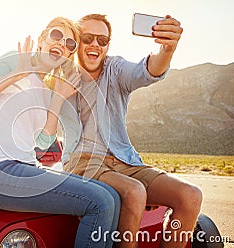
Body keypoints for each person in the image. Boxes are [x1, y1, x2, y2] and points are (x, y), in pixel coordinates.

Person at [0, 17, 120, 248]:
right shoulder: (14, 62)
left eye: (69, 44)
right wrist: (19, 72)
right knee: (100, 201)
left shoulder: (47, 89)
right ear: (42, 39)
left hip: (24, 168)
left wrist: (57, 100)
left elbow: (42, 143)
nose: (62, 43)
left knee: (111, 195)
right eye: (56, 35)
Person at [61, 14, 202, 248]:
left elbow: (148, 71)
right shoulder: (61, 76)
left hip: (125, 161)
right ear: (76, 41)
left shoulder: (115, 69)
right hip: (82, 162)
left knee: (191, 195)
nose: (95, 44)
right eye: (88, 38)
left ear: (108, 45)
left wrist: (167, 49)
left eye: (102, 40)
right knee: (135, 192)